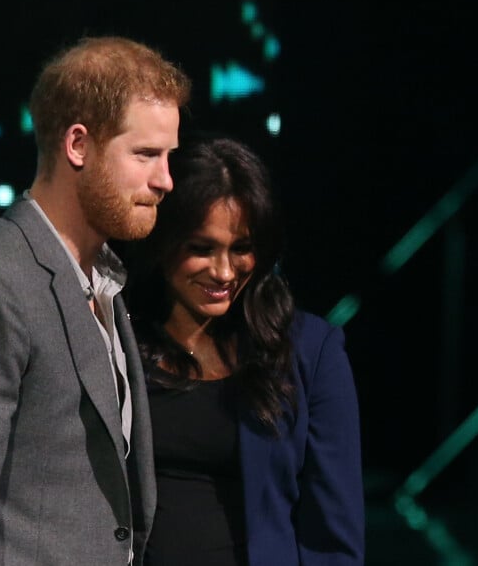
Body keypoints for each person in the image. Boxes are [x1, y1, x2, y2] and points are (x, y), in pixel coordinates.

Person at [0, 36, 191, 565]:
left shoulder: (104, 278)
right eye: (146, 154)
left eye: (168, 156)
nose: (165, 180)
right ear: (77, 145)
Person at [123, 136, 365, 565]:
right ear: (163, 242)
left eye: (242, 249)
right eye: (202, 248)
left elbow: (333, 537)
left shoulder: (312, 352)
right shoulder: (117, 338)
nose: (223, 271)